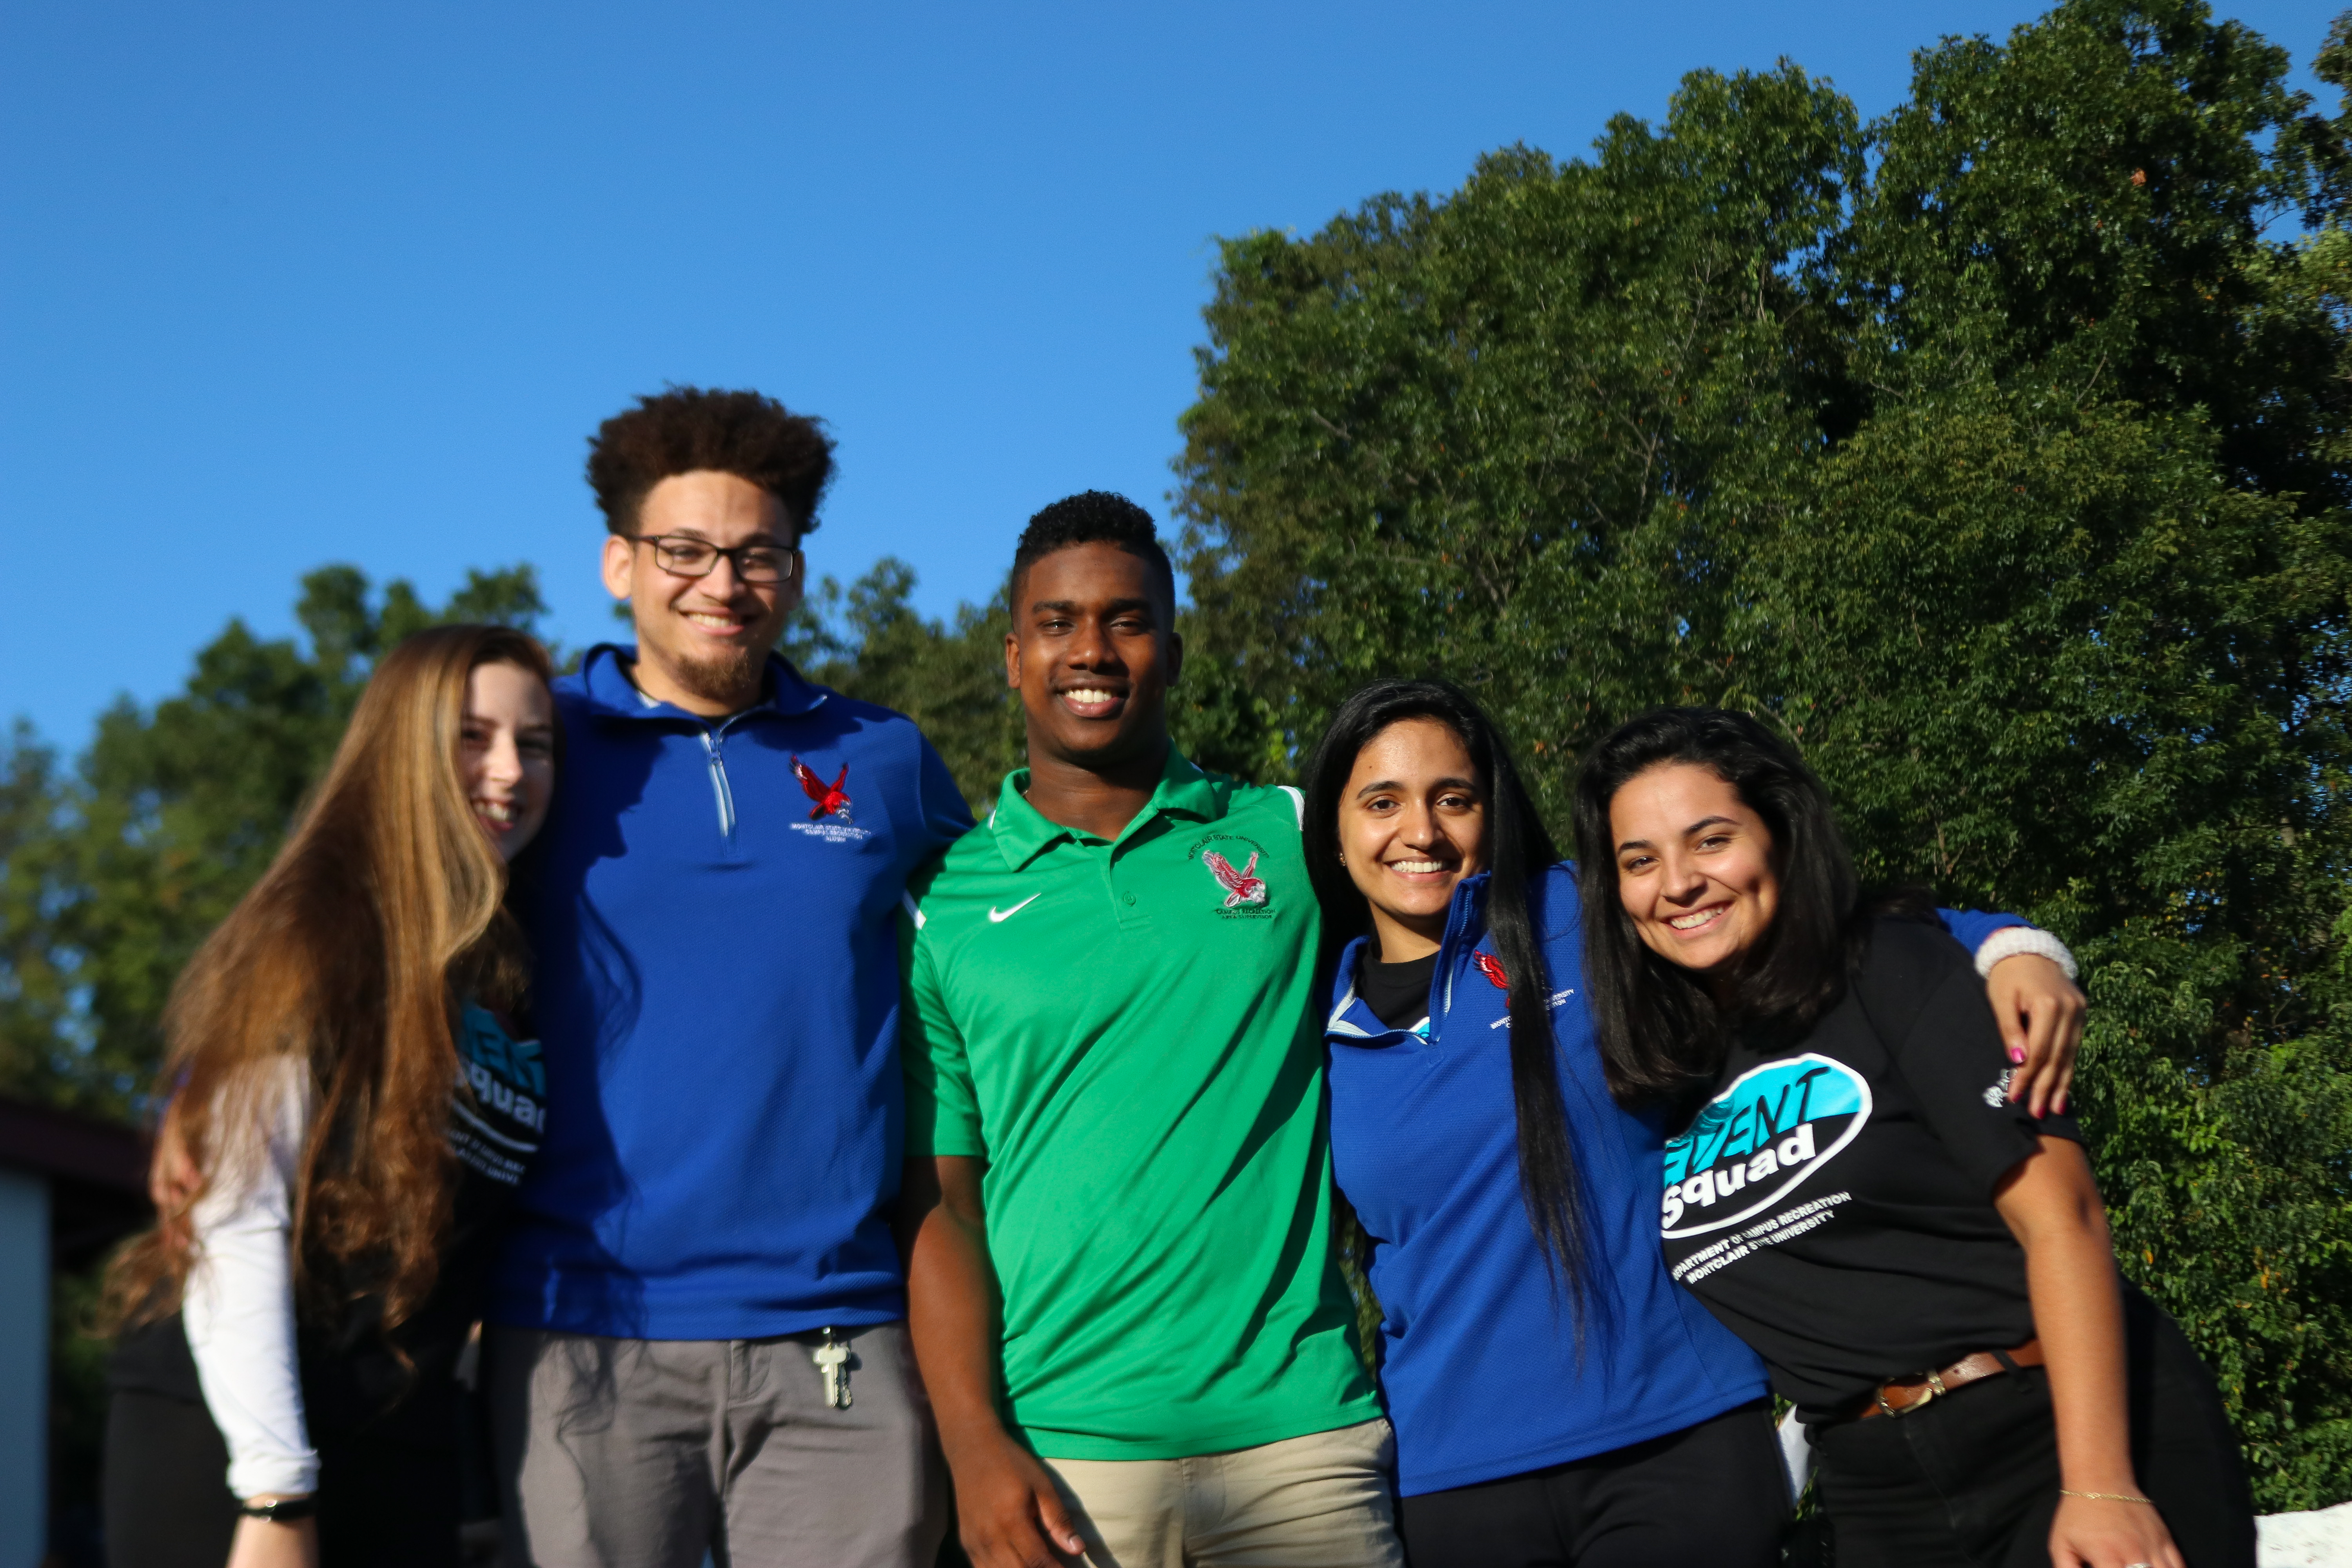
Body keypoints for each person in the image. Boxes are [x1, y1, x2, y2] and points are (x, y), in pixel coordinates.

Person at [1299, 677, 2089, 1568]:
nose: (1422, 831)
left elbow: (1819, 928)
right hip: (1452, 1476)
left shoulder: (1576, 912)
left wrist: (2014, 945)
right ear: (1333, 829)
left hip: (1679, 1439)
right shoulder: (1307, 1017)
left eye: (1455, 797)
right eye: (1381, 802)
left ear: (1496, 809)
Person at [1571, 706, 2255, 1568]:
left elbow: (2066, 1217)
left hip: (2057, 1425)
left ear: (1780, 833)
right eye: (1640, 861)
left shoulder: (1886, 966)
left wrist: (2101, 1484)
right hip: (1874, 1484)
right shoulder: (1667, 1074)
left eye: (1711, 840)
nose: (1677, 882)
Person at [487, 387, 969, 1568]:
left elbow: (996, 956)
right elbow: (377, 907)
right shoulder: (534, 746)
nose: (721, 582)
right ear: (618, 564)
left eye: (756, 554)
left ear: (796, 574)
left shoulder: (884, 758)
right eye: (685, 551)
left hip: (840, 1330)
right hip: (580, 1331)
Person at [898, 492, 1397, 1568]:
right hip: (1062, 1460)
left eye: (1126, 621)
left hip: (1302, 1439)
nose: (1092, 649)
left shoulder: (1293, 837)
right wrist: (975, 1444)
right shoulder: (941, 902)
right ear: (1011, 654)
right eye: (1058, 622)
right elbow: (945, 1203)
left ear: (1171, 653)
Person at [101, 624, 559, 1568]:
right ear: (404, 748)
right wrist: (276, 1491)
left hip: (404, 1433)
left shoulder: (513, 961)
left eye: (537, 741)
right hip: (236, 1434)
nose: (510, 769)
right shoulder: (316, 929)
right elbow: (234, 1216)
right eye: (472, 736)